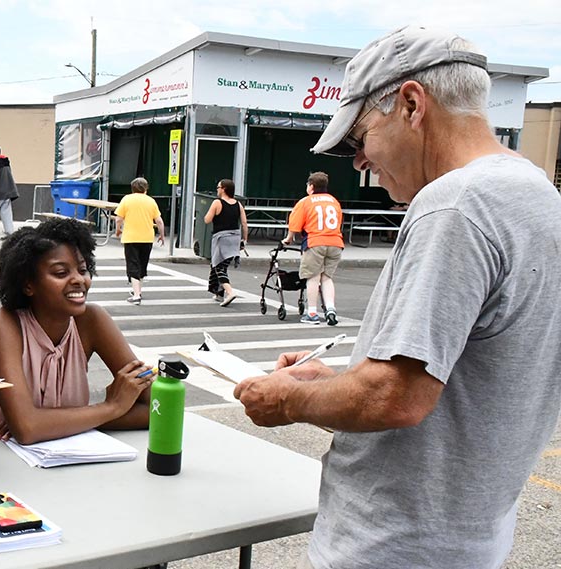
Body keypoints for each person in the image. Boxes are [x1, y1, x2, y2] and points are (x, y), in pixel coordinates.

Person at [233, 26, 561, 569]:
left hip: (396, 545)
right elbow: (464, 377)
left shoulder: (455, 205)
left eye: (360, 139)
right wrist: (335, 383)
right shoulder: (537, 197)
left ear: (411, 104)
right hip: (470, 537)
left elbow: (396, 397)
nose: (358, 162)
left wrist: (285, 399)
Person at [0, 218, 153, 444]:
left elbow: (157, 408)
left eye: (83, 269)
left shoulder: (92, 320)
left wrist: (49, 424)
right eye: (60, 272)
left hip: (65, 456)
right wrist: (113, 406)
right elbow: (27, 430)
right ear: (28, 284)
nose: (78, 280)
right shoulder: (3, 323)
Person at [282, 171, 343, 325]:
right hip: (335, 242)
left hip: (315, 242)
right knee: (327, 278)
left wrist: (288, 239)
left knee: (313, 278)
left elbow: (294, 224)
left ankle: (312, 313)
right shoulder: (334, 201)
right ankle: (330, 309)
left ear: (311, 186)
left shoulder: (306, 202)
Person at [112, 177, 165, 305]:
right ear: (146, 188)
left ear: (132, 188)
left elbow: (118, 218)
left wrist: (118, 230)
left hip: (131, 237)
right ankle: (138, 290)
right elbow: (159, 221)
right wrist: (162, 234)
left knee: (133, 265)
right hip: (147, 238)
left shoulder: (127, 199)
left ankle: (136, 295)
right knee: (142, 265)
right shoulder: (151, 201)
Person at [203, 179, 248, 307]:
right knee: (222, 265)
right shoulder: (238, 204)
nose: (217, 190)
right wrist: (244, 239)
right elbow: (244, 223)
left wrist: (208, 215)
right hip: (234, 237)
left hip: (221, 238)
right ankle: (219, 293)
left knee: (218, 266)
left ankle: (229, 291)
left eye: (218, 187)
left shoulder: (217, 203)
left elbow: (207, 219)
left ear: (223, 189)